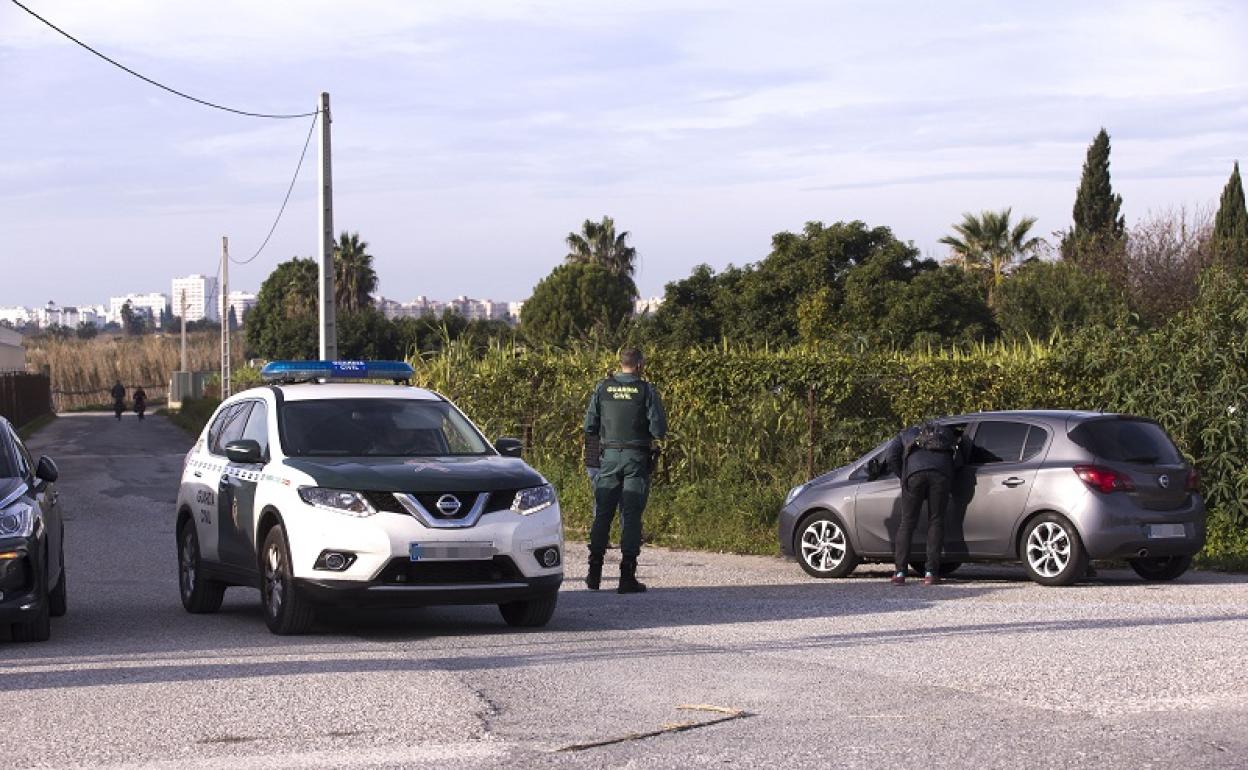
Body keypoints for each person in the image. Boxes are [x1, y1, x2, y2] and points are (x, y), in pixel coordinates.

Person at [583, 348, 667, 594]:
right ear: (639, 365)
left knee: (602, 514)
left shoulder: (603, 388)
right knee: (630, 515)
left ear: (621, 364)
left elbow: (590, 425)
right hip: (635, 458)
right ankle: (626, 575)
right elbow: (659, 430)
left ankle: (594, 572)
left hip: (608, 458)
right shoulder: (646, 390)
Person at [886, 421, 966, 586]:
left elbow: (891, 456)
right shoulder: (948, 433)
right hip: (941, 474)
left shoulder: (906, 433)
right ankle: (930, 573)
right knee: (936, 521)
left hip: (914, 474)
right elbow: (960, 460)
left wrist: (904, 476)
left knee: (907, 523)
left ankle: (900, 573)